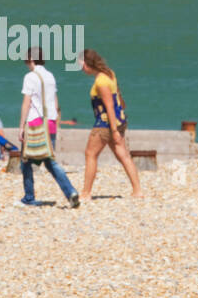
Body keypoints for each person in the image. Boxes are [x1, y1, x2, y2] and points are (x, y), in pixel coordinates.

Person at [18, 48, 79, 207]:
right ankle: (70, 192)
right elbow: (55, 101)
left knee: (25, 161)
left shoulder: (30, 77)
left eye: (26, 60)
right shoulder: (50, 76)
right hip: (50, 123)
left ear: (31, 59)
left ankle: (29, 197)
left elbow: (27, 103)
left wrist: (21, 127)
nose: (26, 64)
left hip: (35, 123)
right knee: (50, 161)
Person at [78, 48, 141, 201]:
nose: (80, 68)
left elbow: (109, 106)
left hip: (105, 123)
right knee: (123, 154)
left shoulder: (100, 81)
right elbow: (118, 95)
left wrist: (114, 131)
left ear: (87, 64)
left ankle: (86, 193)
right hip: (119, 120)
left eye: (81, 65)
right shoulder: (109, 73)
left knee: (90, 154)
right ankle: (138, 191)